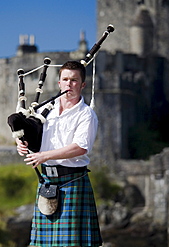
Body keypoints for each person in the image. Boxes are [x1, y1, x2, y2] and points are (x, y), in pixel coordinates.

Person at [16, 61, 102, 247]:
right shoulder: (43, 111)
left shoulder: (86, 114)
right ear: (59, 83)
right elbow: (29, 132)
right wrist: (21, 143)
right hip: (47, 182)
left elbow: (81, 147)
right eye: (65, 79)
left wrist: (45, 156)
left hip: (72, 182)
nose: (69, 84)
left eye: (74, 80)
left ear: (82, 85)